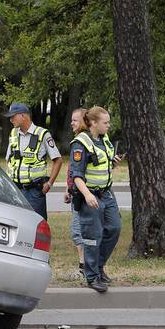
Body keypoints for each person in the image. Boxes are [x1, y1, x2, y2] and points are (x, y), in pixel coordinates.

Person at [69, 106, 123, 293]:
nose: (108, 126)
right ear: (93, 123)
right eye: (105, 123)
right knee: (93, 237)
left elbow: (102, 164)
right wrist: (87, 195)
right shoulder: (80, 143)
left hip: (106, 193)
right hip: (90, 195)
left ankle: (98, 267)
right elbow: (76, 175)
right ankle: (92, 276)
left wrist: (113, 163)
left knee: (114, 228)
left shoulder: (104, 140)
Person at [3, 102, 62, 220]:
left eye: (13, 116)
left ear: (23, 116)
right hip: (16, 190)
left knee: (37, 226)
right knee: (17, 223)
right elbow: (9, 160)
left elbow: (58, 160)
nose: (11, 120)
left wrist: (49, 183)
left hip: (34, 191)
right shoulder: (13, 133)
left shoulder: (42, 134)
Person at [63, 108, 88, 280]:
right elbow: (72, 169)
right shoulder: (80, 140)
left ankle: (84, 268)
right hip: (76, 193)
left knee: (78, 231)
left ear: (85, 121)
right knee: (79, 231)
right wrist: (68, 189)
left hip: (83, 195)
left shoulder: (83, 142)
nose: (72, 123)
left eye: (75, 120)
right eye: (71, 120)